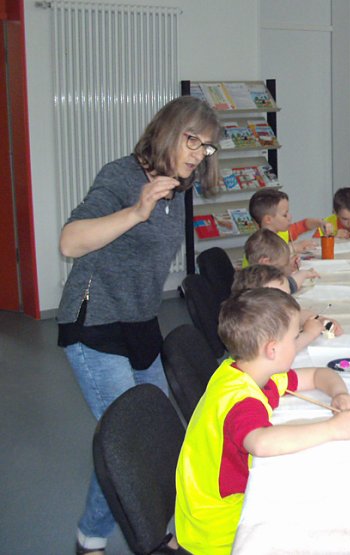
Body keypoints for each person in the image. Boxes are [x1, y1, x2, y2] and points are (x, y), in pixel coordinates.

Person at [56, 96, 220, 555]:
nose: (197, 153)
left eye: (206, 147)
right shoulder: (121, 176)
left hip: (139, 320)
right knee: (134, 442)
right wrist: (134, 212)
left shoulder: (179, 189)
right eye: (192, 139)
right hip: (97, 323)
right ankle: (142, 540)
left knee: (142, 436)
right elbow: (70, 242)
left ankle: (89, 534)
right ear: (169, 130)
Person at [174, 288, 350, 554]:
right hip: (222, 528)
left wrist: (339, 394)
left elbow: (317, 374)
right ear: (273, 349)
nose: (298, 341)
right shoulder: (241, 399)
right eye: (295, 336)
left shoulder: (246, 371)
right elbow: (261, 443)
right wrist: (332, 429)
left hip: (210, 510)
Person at [231, 264, 343, 351]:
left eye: (288, 295)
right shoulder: (253, 328)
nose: (288, 302)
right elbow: (281, 351)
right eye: (280, 298)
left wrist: (319, 319)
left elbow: (298, 313)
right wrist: (309, 334)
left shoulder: (278, 312)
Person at [247, 188, 332, 256]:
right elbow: (271, 254)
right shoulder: (257, 242)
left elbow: (304, 224)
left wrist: (320, 223)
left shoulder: (282, 232)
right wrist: (294, 248)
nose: (290, 217)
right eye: (285, 215)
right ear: (268, 220)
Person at [244, 228, 319, 292]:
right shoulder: (267, 288)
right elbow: (291, 285)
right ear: (265, 263)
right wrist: (303, 274)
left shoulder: (251, 278)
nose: (284, 269)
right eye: (283, 265)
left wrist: (296, 271)